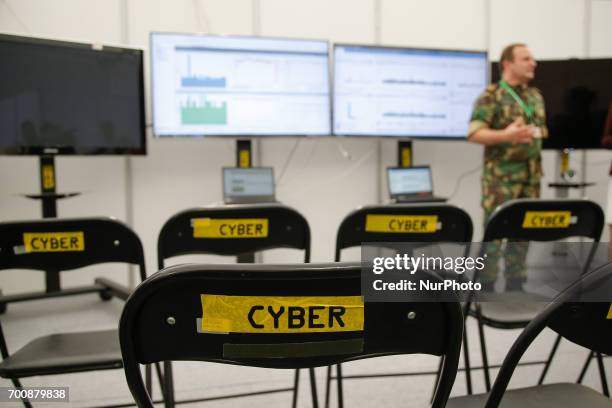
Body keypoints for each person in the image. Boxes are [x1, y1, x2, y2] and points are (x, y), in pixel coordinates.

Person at [468, 43, 548, 291]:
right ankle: (486, 284)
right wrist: (506, 135)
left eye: (533, 59)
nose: (533, 63)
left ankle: (516, 282)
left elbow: (541, 129)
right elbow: (475, 134)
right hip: (500, 181)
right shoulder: (491, 96)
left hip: (531, 177)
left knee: (524, 231)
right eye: (526, 59)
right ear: (507, 64)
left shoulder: (535, 95)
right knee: (494, 232)